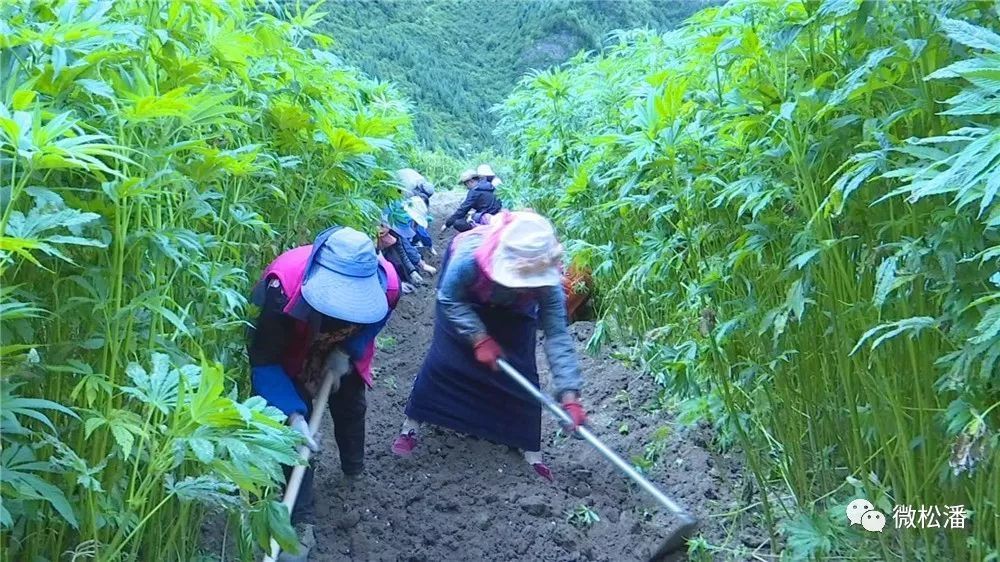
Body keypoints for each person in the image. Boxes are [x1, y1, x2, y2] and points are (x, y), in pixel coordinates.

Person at [391, 210, 587, 482]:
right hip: (464, 300)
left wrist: (569, 394)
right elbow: (448, 299)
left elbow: (556, 335)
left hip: (516, 312)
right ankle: (411, 426)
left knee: (522, 374)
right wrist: (478, 336)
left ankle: (532, 453)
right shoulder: (469, 257)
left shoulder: (547, 282)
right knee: (445, 361)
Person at [247, 227, 400, 562]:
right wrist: (293, 414)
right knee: (296, 440)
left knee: (350, 405)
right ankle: (301, 522)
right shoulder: (283, 286)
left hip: (341, 347)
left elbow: (377, 319)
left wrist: (349, 351)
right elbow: (264, 359)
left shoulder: (387, 284)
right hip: (292, 348)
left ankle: (353, 470)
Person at [378, 209, 436, 293]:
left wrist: (412, 271)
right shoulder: (369, 248)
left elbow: (403, 253)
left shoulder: (395, 235)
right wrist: (396, 283)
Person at [442, 166, 502, 233]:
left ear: (471, 182)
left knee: (458, 223)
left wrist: (447, 224)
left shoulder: (475, 191)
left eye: (466, 185)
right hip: (496, 216)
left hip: (486, 218)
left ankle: (476, 231)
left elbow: (463, 210)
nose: (467, 187)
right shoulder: (490, 186)